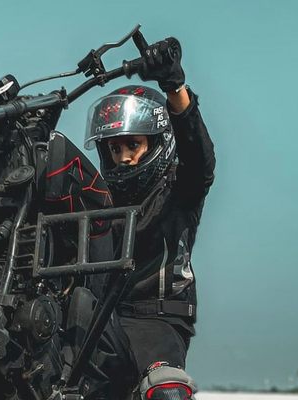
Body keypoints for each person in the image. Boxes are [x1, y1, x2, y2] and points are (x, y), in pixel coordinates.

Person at [84, 38, 215, 400]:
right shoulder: (96, 199)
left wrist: (174, 86)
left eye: (133, 145)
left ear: (157, 143)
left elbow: (199, 159)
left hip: (155, 320)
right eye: (115, 147)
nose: (124, 157)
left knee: (165, 390)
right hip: (96, 320)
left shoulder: (179, 190)